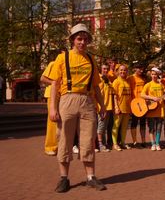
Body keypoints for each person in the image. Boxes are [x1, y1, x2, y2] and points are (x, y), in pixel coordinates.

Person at [49, 23, 107, 192]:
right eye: (79, 39)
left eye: (85, 39)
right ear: (73, 40)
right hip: (67, 99)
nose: (82, 42)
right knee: (64, 140)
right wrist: (53, 108)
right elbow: (55, 84)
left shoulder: (90, 59)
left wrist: (102, 105)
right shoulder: (62, 58)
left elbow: (96, 86)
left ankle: (91, 177)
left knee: (89, 140)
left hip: (87, 102)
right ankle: (64, 178)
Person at [141, 67, 165, 151]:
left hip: (160, 109)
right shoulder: (148, 84)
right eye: (153, 74)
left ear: (158, 75)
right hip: (151, 109)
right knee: (151, 128)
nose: (154, 76)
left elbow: (164, 95)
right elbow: (142, 95)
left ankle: (157, 143)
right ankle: (153, 144)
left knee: (159, 128)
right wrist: (152, 98)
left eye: (155, 74)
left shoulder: (161, 84)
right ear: (151, 75)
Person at [112, 64, 132, 151]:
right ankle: (115, 144)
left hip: (127, 108)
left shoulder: (127, 81)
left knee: (124, 127)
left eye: (124, 70)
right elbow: (114, 96)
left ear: (127, 71)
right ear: (118, 71)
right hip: (119, 108)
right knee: (116, 126)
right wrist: (116, 107)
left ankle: (123, 142)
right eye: (121, 70)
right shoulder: (116, 81)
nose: (123, 72)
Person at [127, 62, 147, 148]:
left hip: (143, 104)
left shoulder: (143, 79)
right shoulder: (130, 78)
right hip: (134, 104)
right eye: (140, 69)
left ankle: (143, 141)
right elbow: (129, 91)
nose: (141, 71)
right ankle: (135, 141)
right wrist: (130, 105)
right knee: (134, 123)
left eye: (142, 69)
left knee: (142, 123)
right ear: (135, 69)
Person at [40, 61, 58, 156]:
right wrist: (53, 82)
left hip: (62, 94)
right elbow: (42, 78)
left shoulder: (67, 64)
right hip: (51, 94)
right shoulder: (52, 64)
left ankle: (59, 146)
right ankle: (50, 146)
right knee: (52, 121)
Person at [96, 64, 114, 152]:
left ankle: (102, 143)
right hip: (101, 108)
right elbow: (97, 94)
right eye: (104, 69)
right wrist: (100, 107)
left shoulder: (107, 80)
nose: (106, 70)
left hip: (108, 107)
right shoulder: (99, 79)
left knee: (104, 127)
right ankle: (100, 145)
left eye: (107, 69)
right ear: (100, 69)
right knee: (101, 126)